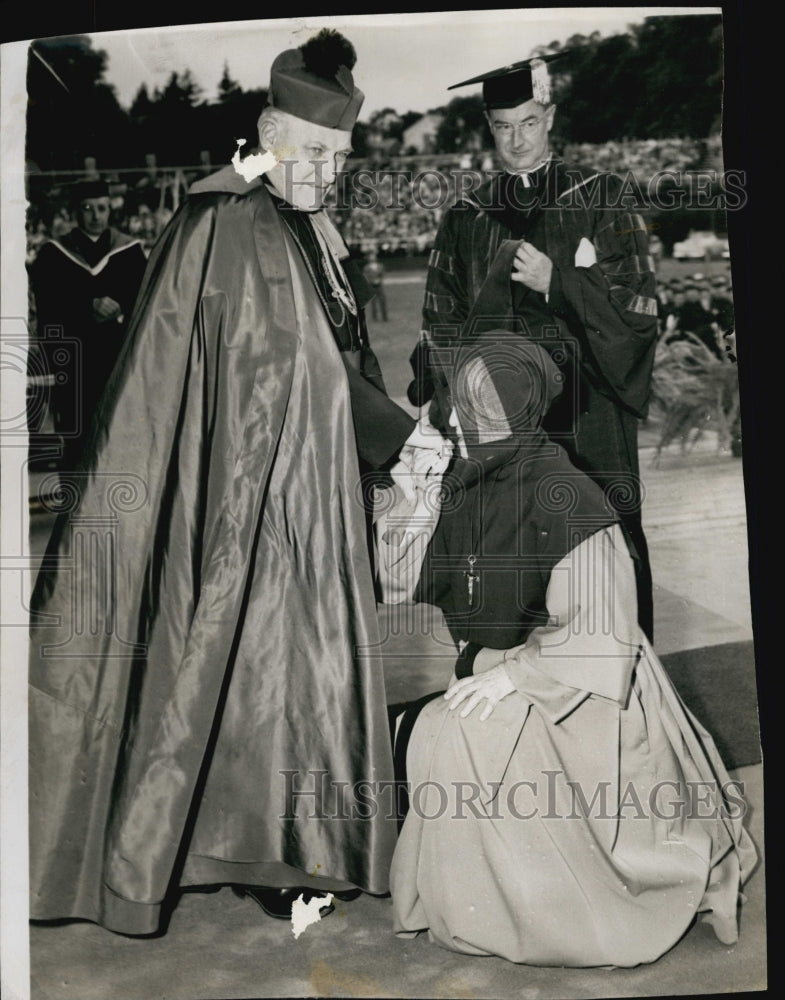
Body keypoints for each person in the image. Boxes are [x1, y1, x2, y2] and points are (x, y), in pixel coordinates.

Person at [28, 29, 449, 936]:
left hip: (284, 487)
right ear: (270, 129)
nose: (332, 172)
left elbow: (326, 360)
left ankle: (268, 843)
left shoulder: (292, 219)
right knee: (261, 670)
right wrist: (399, 437)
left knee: (266, 674)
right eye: (318, 152)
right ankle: (268, 850)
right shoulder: (233, 219)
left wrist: (387, 433)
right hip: (245, 502)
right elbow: (288, 374)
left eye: (342, 157)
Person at [377, 335, 757, 967]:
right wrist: (411, 488)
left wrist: (511, 677)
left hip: (581, 688)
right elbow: (394, 582)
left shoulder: (565, 493)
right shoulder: (471, 478)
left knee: (454, 731)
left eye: (476, 402)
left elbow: (601, 633)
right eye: (460, 399)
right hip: (512, 669)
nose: (452, 414)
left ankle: (543, 908)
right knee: (443, 731)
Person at [407, 54, 659, 640]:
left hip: (590, 412)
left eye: (527, 122)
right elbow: (439, 320)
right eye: (502, 126)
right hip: (500, 424)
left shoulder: (603, 197)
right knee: (509, 555)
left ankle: (618, 688)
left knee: (605, 548)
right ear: (489, 129)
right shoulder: (466, 217)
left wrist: (561, 283)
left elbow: (639, 310)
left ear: (549, 117)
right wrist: (436, 394)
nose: (516, 140)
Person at [28, 179, 148, 467]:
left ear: (110, 211)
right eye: (88, 208)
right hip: (75, 365)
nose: (96, 216)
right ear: (74, 212)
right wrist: (86, 307)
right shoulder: (53, 254)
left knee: (118, 435)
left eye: (102, 208)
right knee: (77, 441)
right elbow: (47, 305)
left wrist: (121, 308)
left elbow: (143, 300)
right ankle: (76, 510)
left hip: (117, 360)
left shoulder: (129, 252)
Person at [363, 247, 388, 321]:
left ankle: (384, 317)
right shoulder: (367, 267)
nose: (372, 258)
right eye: (371, 257)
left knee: (382, 300)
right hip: (372, 286)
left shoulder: (380, 266)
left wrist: (379, 279)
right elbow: (366, 276)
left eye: (373, 256)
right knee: (373, 302)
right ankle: (375, 317)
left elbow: (383, 274)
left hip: (379, 285)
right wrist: (371, 281)